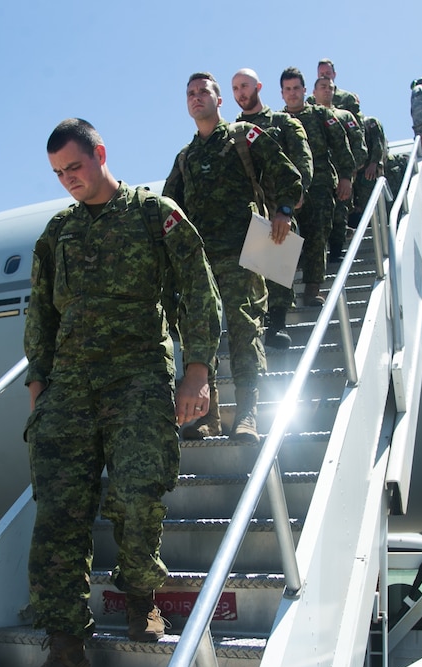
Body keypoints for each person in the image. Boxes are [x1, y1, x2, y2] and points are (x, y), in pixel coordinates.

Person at [7, 118, 221, 667]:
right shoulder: (58, 234)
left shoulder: (156, 214)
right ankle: (65, 654)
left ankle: (139, 597)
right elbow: (40, 315)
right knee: (59, 514)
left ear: (100, 154)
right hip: (70, 385)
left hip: (136, 375)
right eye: (58, 174)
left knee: (134, 494)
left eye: (74, 167)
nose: (68, 181)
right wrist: (38, 381)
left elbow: (199, 290)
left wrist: (197, 370)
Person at [164, 72, 303, 443]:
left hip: (246, 250)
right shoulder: (186, 157)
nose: (196, 98)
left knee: (244, 331)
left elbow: (287, 173)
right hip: (200, 262)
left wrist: (284, 211)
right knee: (200, 336)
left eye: (203, 92)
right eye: (190, 93)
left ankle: (247, 415)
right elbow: (168, 209)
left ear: (218, 100)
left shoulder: (245, 137)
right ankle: (207, 418)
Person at [231, 67, 313, 350]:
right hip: (245, 210)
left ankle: (277, 322)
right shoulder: (231, 132)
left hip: (279, 207)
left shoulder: (283, 123)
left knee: (279, 244)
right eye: (236, 89)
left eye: (245, 86)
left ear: (258, 87)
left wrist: (294, 197)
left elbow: (302, 160)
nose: (241, 93)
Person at [280, 67, 358, 306]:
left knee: (317, 238)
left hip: (321, 187)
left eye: (296, 88)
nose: (292, 94)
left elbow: (341, 146)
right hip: (290, 191)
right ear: (282, 93)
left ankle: (312, 290)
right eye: (287, 89)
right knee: (283, 239)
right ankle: (284, 297)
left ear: (305, 90)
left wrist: (346, 177)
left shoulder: (322, 116)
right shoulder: (278, 121)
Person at [310, 75, 368, 258]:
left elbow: (359, 146)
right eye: (322, 86)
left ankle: (336, 252)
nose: (327, 90)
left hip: (341, 176)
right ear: (314, 92)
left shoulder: (345, 116)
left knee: (339, 214)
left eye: (330, 87)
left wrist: (349, 172)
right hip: (317, 177)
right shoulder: (308, 117)